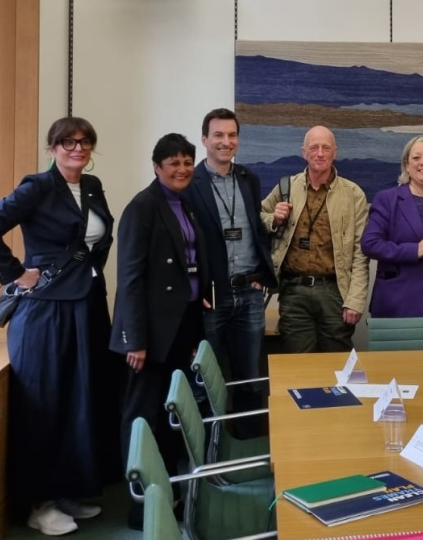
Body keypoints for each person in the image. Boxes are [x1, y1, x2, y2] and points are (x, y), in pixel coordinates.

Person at [0, 117, 121, 535]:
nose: (77, 148)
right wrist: (15, 273)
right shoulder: (37, 186)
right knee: (47, 404)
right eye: (67, 142)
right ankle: (37, 502)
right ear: (52, 148)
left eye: (85, 142)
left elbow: (94, 244)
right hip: (46, 312)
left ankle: (66, 489)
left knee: (80, 402)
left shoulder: (91, 186)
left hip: (86, 305)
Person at [110, 134, 211, 529]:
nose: (183, 169)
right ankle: (140, 507)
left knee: (168, 414)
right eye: (174, 163)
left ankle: (166, 491)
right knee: (141, 417)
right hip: (148, 332)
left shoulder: (183, 202)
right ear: (157, 167)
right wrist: (134, 339)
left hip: (181, 323)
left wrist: (199, 293)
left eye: (188, 161)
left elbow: (187, 261)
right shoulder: (142, 207)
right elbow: (130, 278)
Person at [181, 108, 277, 438]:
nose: (226, 142)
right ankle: (206, 454)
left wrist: (261, 274)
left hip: (249, 293)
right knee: (204, 378)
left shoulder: (249, 179)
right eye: (218, 135)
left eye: (232, 135)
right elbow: (182, 243)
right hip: (211, 295)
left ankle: (249, 448)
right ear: (205, 139)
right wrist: (194, 291)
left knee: (250, 378)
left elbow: (255, 228)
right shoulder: (189, 183)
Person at [261, 126, 369, 352]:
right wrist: (274, 218)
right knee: (298, 364)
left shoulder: (353, 194)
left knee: (337, 362)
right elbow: (258, 218)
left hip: (334, 292)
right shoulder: (286, 187)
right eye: (314, 147)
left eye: (326, 148)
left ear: (335, 152)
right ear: (304, 152)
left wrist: (355, 300)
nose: (320, 153)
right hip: (294, 292)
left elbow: (361, 253)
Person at [362, 135, 423, 317]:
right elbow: (370, 244)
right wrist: (414, 250)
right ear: (407, 165)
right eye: (416, 158)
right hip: (399, 302)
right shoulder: (387, 199)